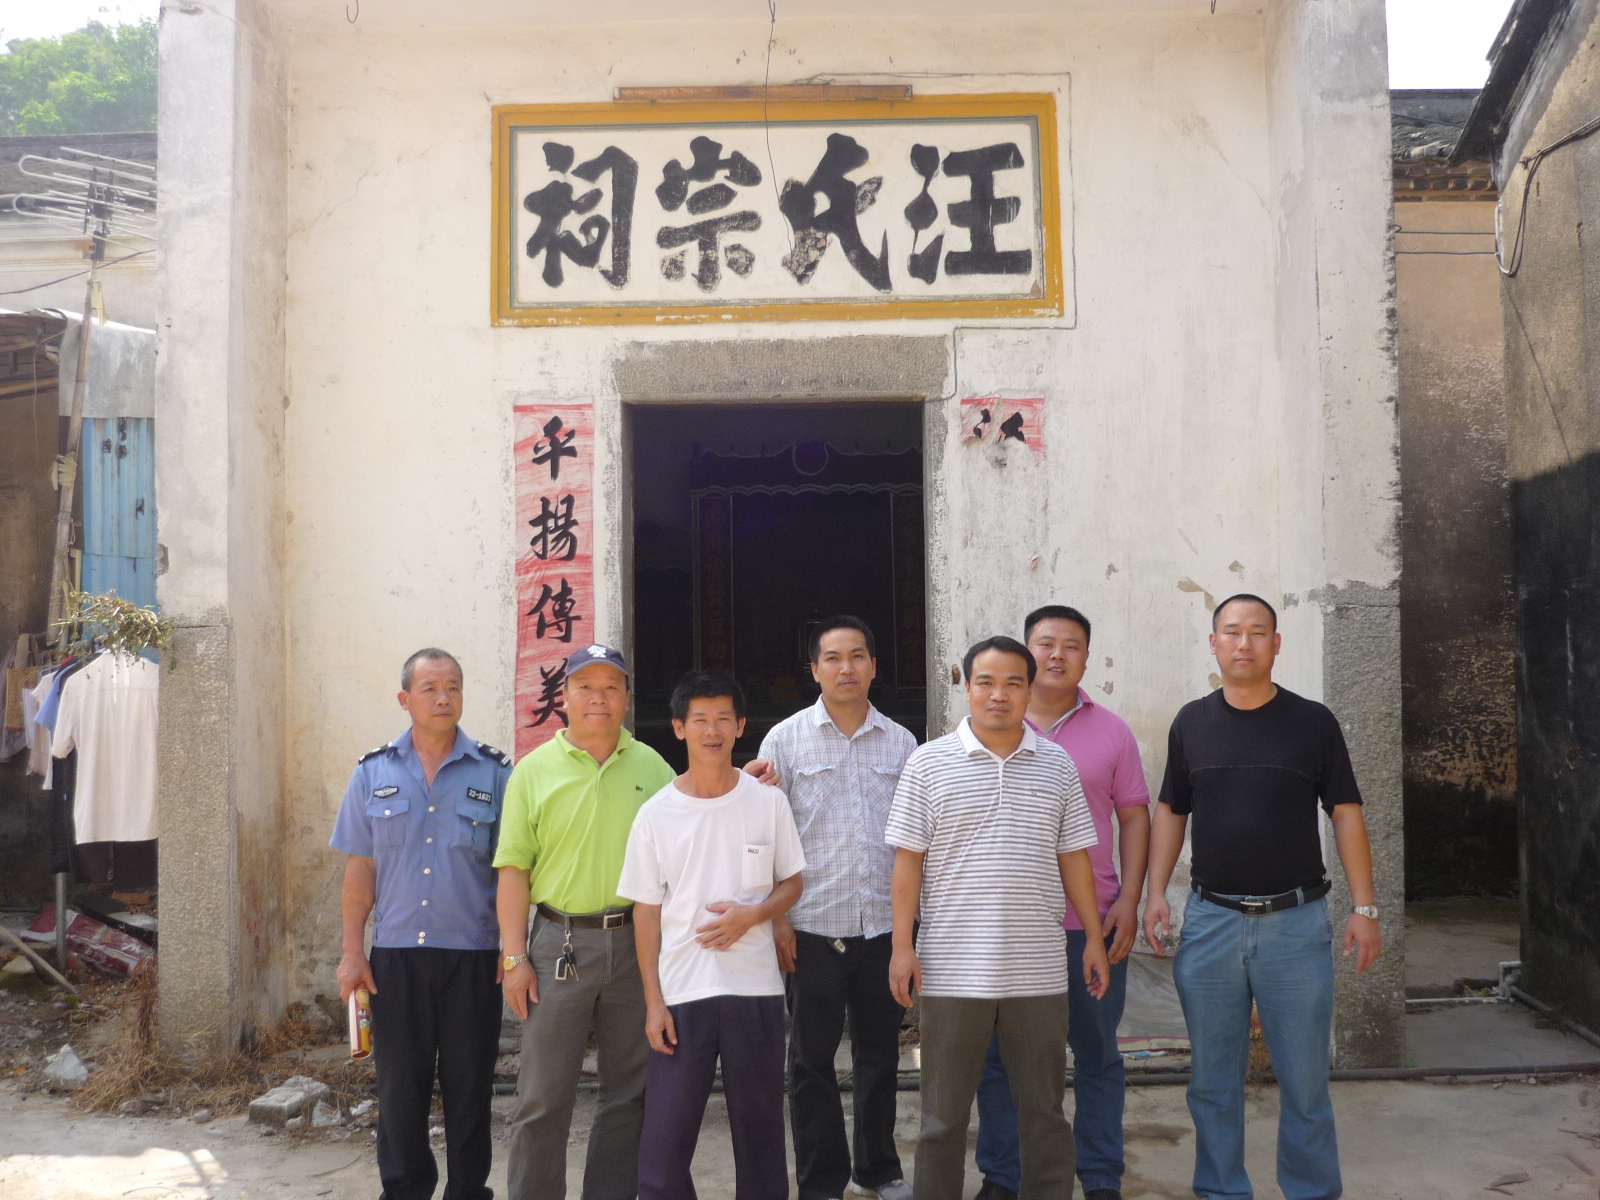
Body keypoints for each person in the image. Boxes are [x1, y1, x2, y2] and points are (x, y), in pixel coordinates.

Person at [1142, 594, 1382, 1200]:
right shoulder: (1191, 722)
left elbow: (1346, 813)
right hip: (1212, 921)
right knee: (1212, 1080)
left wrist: (1365, 907)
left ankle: (1310, 1190)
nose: (1243, 643)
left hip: (1294, 924)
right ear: (1214, 644)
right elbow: (1171, 810)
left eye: (1257, 632)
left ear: (1277, 644)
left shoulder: (1313, 723)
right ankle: (1221, 1190)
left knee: (1304, 1081)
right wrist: (1155, 895)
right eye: (1231, 632)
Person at [886, 636, 1110, 1200]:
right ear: (965, 686)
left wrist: (1092, 939)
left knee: (1045, 1113)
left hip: (1036, 971)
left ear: (1029, 690)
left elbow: (1075, 858)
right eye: (986, 682)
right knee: (942, 1118)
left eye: (1014, 683)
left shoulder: (1055, 763)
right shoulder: (928, 763)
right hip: (952, 970)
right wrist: (901, 946)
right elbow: (907, 863)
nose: (999, 694)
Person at [974, 606, 1150, 1200]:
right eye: (1044, 644)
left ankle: (1100, 1175)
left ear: (1086, 656)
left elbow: (1133, 816)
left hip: (1091, 923)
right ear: (1025, 654)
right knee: (999, 1059)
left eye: (1070, 646)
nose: (1056, 655)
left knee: (1097, 1052)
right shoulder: (988, 727)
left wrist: (1130, 898)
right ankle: (1004, 1174)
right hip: (1011, 928)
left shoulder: (1113, 732)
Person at [495, 643, 676, 1200]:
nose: (598, 698)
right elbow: (512, 870)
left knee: (629, 1092)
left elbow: (689, 837)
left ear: (626, 699)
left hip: (636, 945)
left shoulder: (653, 766)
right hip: (558, 946)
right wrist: (514, 958)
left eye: (610, 687)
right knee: (543, 1095)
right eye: (585, 687)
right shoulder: (532, 770)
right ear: (564, 697)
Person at [330, 648, 511, 1200]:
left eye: (453, 687)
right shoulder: (373, 773)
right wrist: (352, 952)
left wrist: (512, 949)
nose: (443, 698)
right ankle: (404, 1190)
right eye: (430, 688)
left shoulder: (496, 773)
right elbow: (360, 872)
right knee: (400, 1090)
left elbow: (511, 870)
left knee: (470, 1088)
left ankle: (467, 1192)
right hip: (396, 959)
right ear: (405, 698)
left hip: (474, 956)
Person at [618, 670, 807, 1200]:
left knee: (762, 1148)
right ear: (678, 728)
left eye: (724, 718)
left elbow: (792, 882)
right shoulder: (656, 814)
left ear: (742, 725)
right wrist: (653, 1002)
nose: (712, 729)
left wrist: (752, 916)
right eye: (699, 719)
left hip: (755, 993)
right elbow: (646, 913)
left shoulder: (767, 802)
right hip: (683, 995)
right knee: (661, 1162)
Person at [757, 616, 917, 1200]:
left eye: (857, 656)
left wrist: (906, 935)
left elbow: (912, 845)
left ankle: (878, 1170)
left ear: (874, 665)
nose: (845, 668)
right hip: (810, 929)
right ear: (814, 670)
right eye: (832, 658)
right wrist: (778, 918)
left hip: (880, 929)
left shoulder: (903, 743)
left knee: (880, 1057)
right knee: (810, 1062)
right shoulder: (784, 740)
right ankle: (822, 1181)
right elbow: (769, 838)